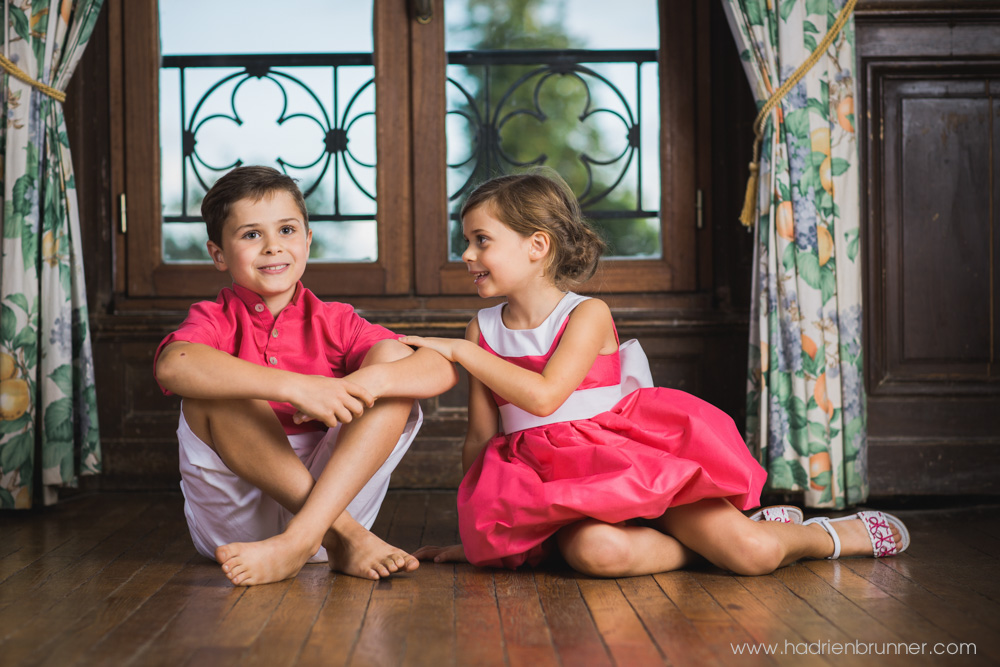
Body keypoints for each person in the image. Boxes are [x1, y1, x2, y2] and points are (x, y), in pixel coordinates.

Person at [400, 169, 909, 577]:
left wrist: (461, 354)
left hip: (631, 462)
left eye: (481, 240)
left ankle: (827, 536)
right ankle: (698, 549)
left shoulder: (586, 313)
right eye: (466, 240)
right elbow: (480, 440)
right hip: (553, 487)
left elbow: (545, 397)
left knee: (751, 555)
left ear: (537, 245)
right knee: (596, 553)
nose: (466, 254)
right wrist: (479, 536)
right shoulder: (481, 331)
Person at [154, 166, 458, 586]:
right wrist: (297, 386)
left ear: (308, 240)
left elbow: (438, 368)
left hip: (336, 494)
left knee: (393, 362)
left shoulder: (336, 320)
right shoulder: (214, 319)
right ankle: (343, 538)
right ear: (218, 254)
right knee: (212, 385)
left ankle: (300, 540)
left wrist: (366, 384)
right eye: (251, 235)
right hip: (241, 522)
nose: (273, 247)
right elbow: (174, 364)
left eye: (286, 230)